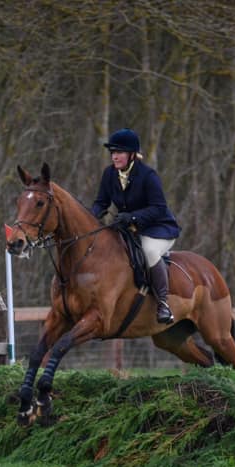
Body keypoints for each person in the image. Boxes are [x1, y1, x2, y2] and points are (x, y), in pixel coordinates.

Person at [91, 128, 180, 324]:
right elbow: (101, 202)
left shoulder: (148, 175)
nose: (114, 157)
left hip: (159, 228)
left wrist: (131, 217)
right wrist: (89, 218)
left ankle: (163, 304)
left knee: (149, 251)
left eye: (119, 152)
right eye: (113, 152)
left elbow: (159, 208)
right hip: (130, 230)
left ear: (132, 154)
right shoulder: (109, 174)